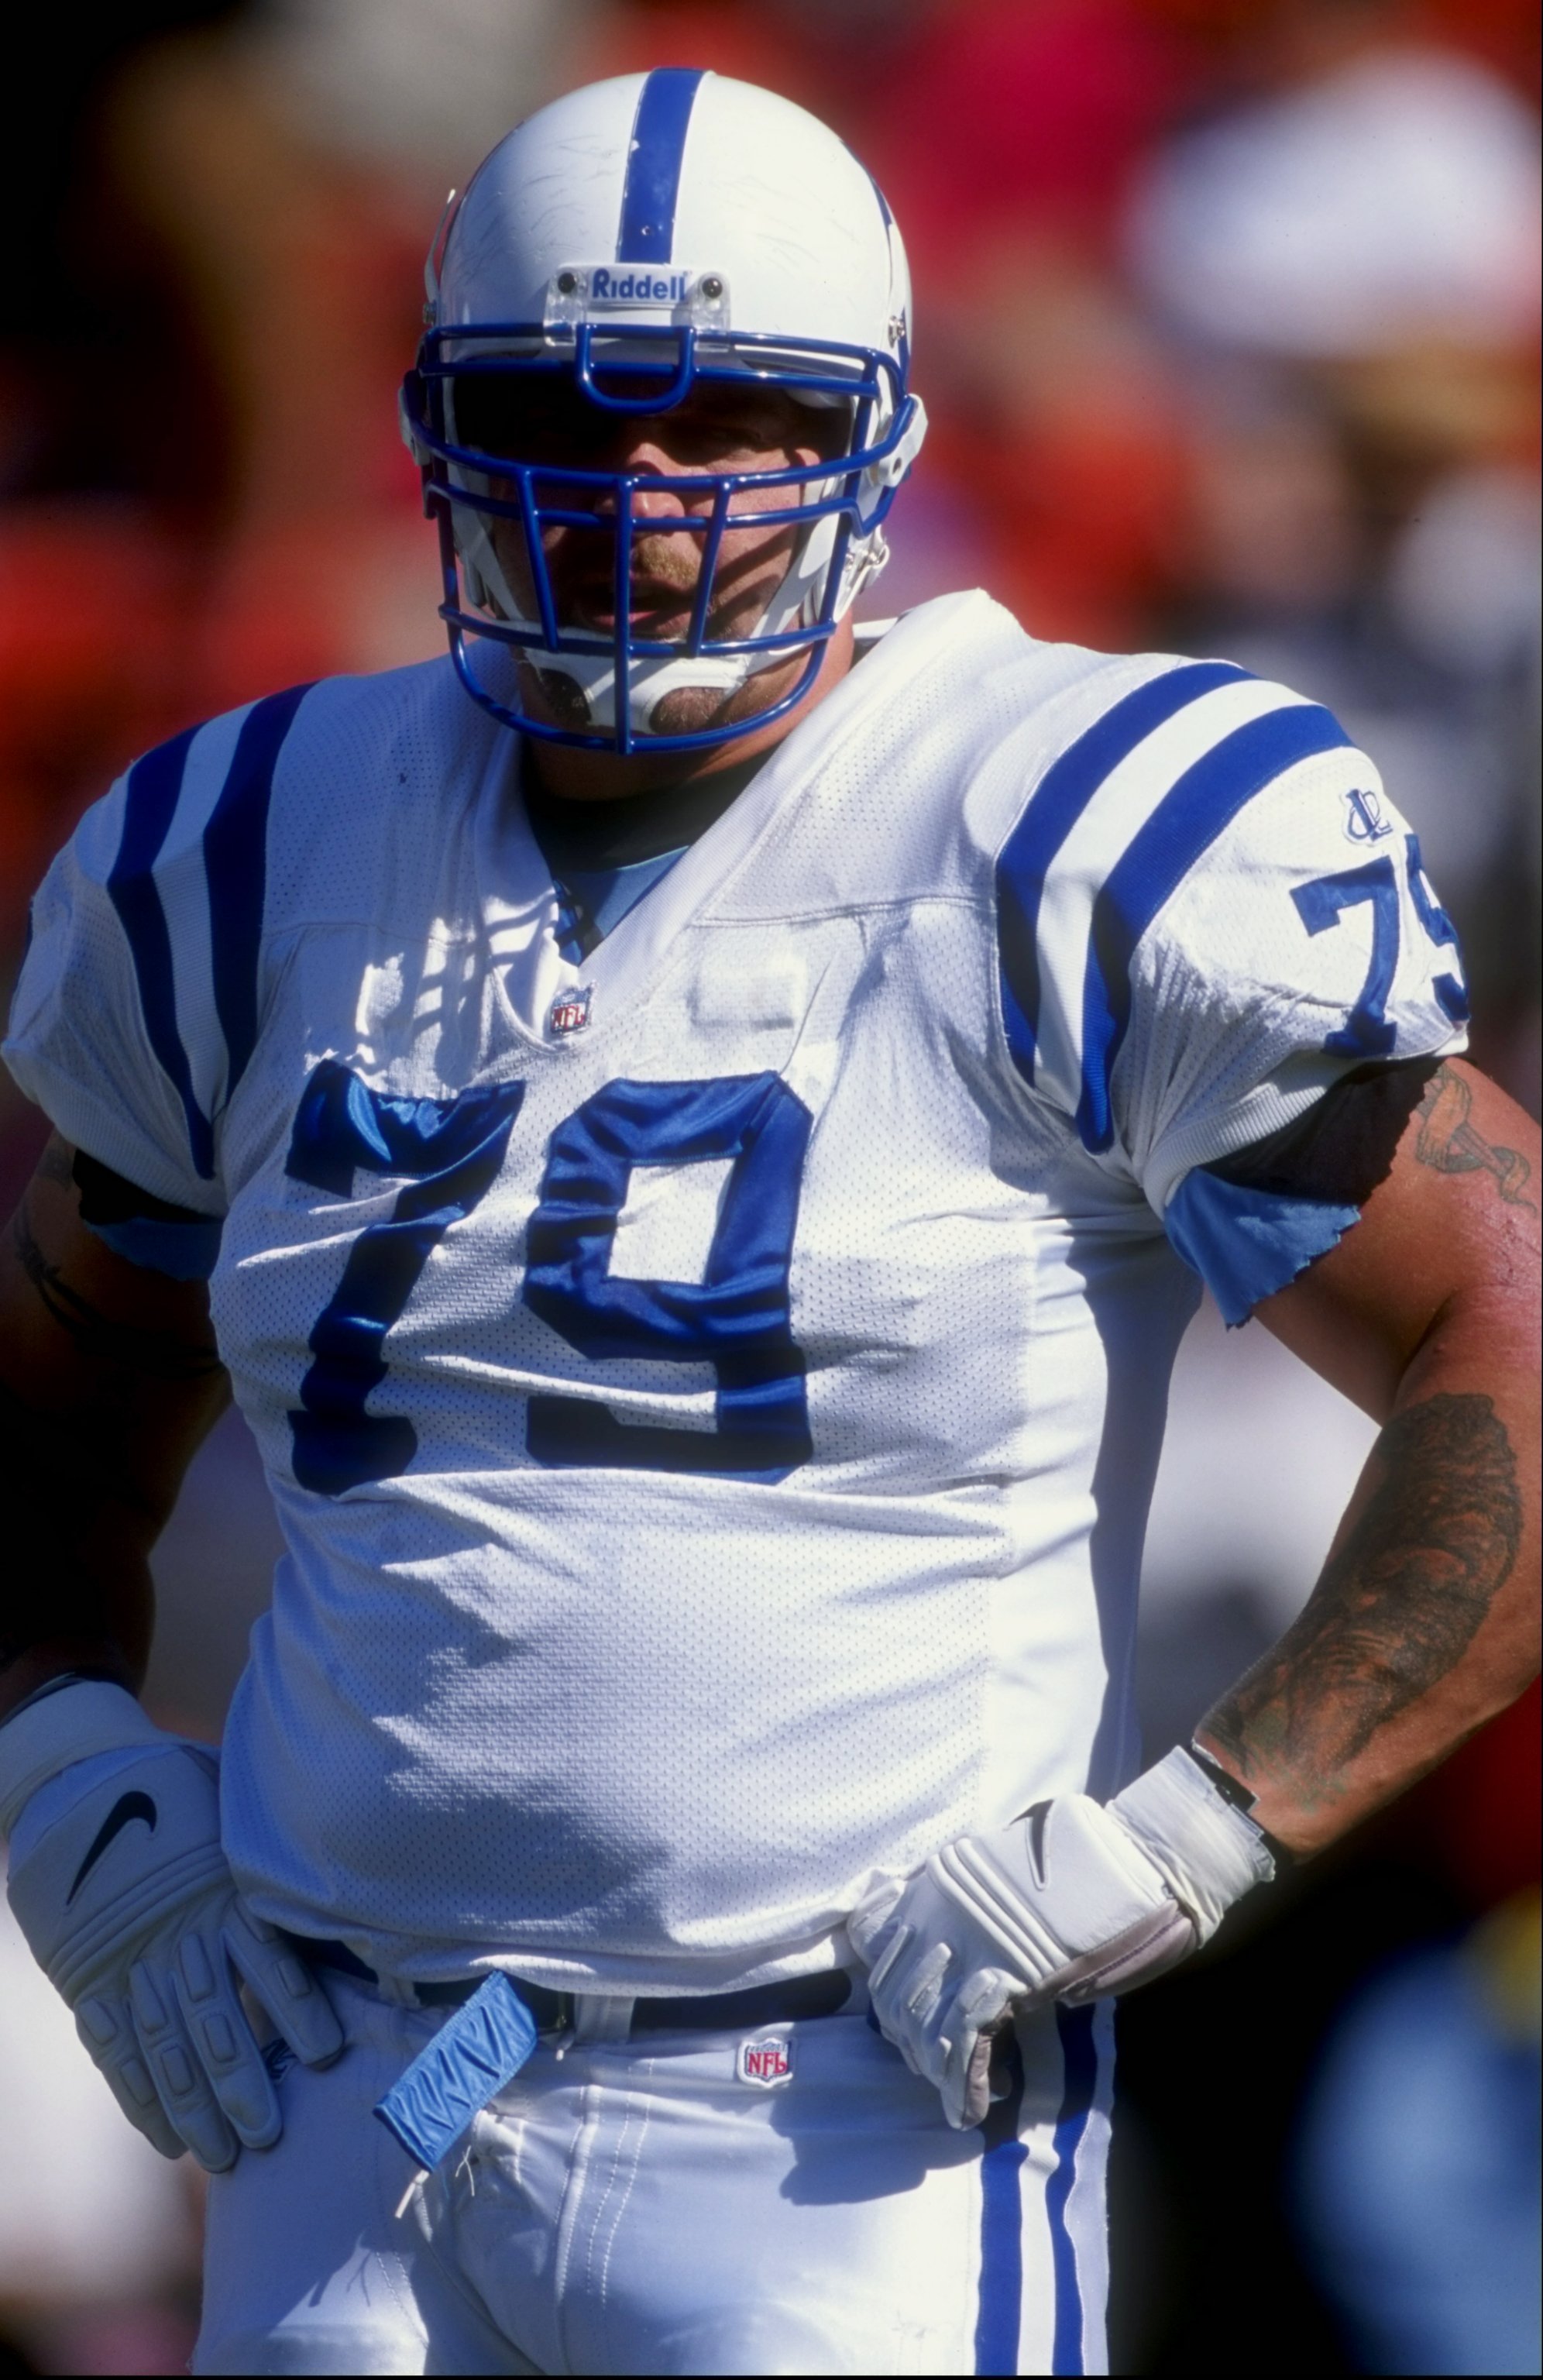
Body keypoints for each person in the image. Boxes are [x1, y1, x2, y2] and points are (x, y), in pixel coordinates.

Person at [0, 69, 1535, 2378]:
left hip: (841, 2116)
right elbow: (48, 1426)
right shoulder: (234, 853)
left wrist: (1208, 1825)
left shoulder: (1070, 824)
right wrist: (62, 1783)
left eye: (727, 416)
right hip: (339, 2099)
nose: (640, 489)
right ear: (434, 419)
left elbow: (1512, 1340)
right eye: (558, 410)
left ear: (880, 436)